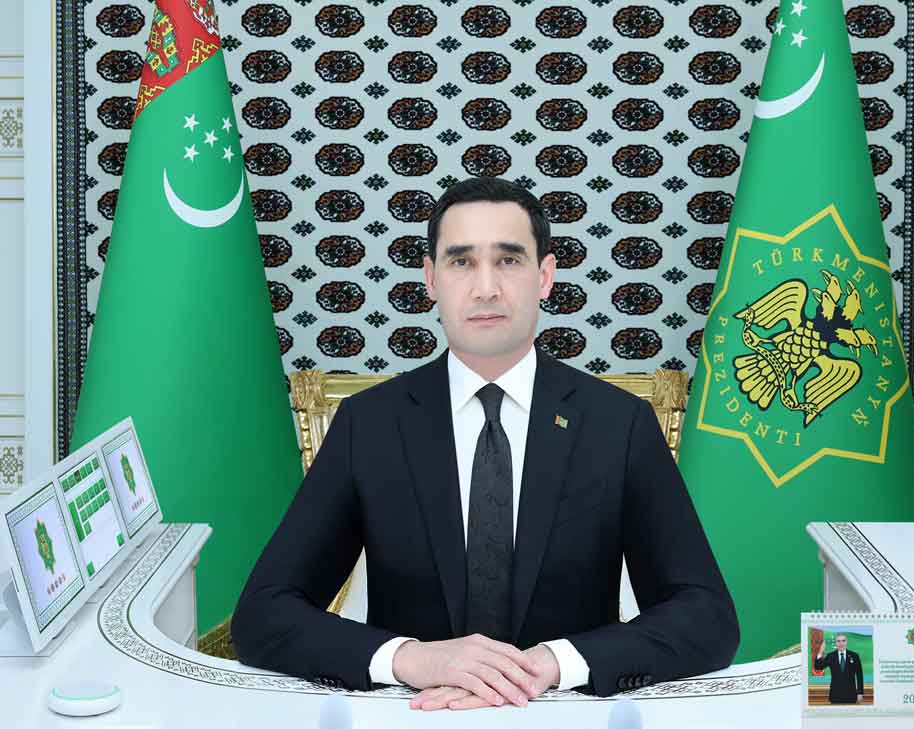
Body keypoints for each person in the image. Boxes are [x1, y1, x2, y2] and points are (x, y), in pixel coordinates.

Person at [230, 177, 739, 711]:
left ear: (545, 276)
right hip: (413, 714)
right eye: (461, 261)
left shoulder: (619, 423)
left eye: (509, 260)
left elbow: (707, 617)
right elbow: (264, 613)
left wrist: (552, 663)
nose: (486, 287)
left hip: (565, 713)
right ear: (431, 279)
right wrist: (410, 658)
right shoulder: (369, 424)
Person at [814, 634, 864, 704]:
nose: (841, 643)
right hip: (835, 695)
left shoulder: (854, 656)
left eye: (843, 641)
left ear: (846, 642)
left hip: (851, 695)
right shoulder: (831, 656)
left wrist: (860, 693)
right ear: (836, 643)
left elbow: (859, 675)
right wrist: (820, 651)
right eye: (838, 641)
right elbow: (818, 667)